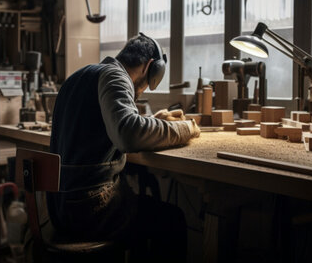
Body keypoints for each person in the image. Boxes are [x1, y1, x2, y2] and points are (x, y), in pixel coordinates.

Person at [47, 32, 200, 262]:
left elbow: (103, 127)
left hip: (59, 208)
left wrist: (154, 123)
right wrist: (186, 129)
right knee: (172, 219)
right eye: (147, 84)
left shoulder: (78, 76)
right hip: (90, 210)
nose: (142, 92)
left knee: (141, 204)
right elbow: (127, 134)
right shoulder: (115, 76)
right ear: (151, 66)